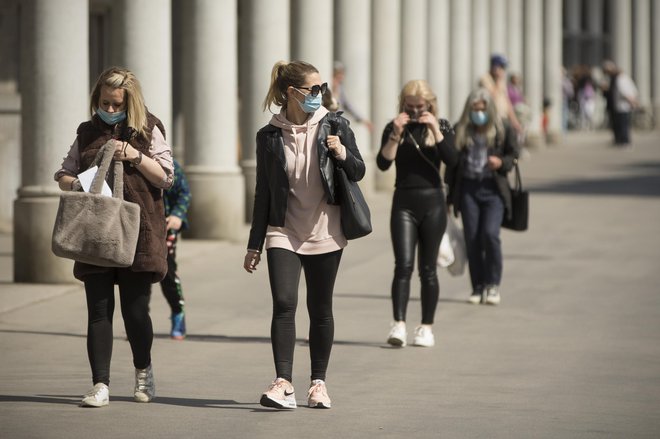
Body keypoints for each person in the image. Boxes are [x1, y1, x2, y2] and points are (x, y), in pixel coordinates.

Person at [243, 60, 365, 410]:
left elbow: (358, 170)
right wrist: (255, 243)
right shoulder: (268, 135)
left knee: (319, 307)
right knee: (284, 303)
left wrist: (341, 152)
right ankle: (283, 383)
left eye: (322, 88)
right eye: (313, 90)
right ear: (291, 93)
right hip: (283, 229)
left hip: (326, 227)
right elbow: (263, 191)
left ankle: (318, 384)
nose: (319, 95)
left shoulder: (335, 123)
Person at [54, 66, 173, 407]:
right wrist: (75, 182)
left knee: (135, 313)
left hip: (138, 233)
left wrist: (135, 155)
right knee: (98, 311)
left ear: (129, 101)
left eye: (115, 103)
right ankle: (100, 384)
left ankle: (143, 370)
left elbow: (166, 177)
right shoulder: (87, 132)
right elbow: (64, 172)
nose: (108, 110)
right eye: (104, 103)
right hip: (94, 231)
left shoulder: (149, 128)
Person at [376, 80, 458, 348]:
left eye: (419, 107)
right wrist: (395, 134)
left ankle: (426, 327)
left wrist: (434, 127)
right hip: (404, 201)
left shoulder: (442, 126)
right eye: (408, 106)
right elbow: (383, 163)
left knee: (428, 270)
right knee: (403, 265)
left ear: (429, 105)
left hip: (433, 201)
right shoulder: (395, 126)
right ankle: (398, 324)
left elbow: (453, 160)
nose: (413, 111)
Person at [445, 88, 519, 306]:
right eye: (475, 109)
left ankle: (493, 284)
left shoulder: (501, 127)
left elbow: (513, 155)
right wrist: (449, 197)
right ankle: (478, 286)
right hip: (468, 189)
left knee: (490, 235)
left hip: (493, 189)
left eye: (482, 109)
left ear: (489, 109)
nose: (479, 113)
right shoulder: (461, 129)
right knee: (473, 238)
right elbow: (452, 165)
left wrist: (501, 163)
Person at [155, 158, 191, 340]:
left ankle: (178, 312)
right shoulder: (127, 158)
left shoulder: (168, 163)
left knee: (167, 273)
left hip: (165, 226)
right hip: (136, 225)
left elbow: (184, 193)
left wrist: (177, 215)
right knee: (137, 276)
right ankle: (138, 321)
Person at [479, 54, 523, 136]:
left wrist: (514, 121)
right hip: (492, 120)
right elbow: (491, 97)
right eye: (502, 67)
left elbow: (507, 101)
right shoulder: (485, 78)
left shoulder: (501, 81)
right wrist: (499, 80)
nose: (503, 70)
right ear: (495, 67)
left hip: (504, 118)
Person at [601, 60, 639, 147]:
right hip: (617, 105)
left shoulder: (621, 78)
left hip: (622, 105)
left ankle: (624, 140)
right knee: (619, 123)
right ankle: (620, 139)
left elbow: (625, 91)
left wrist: (632, 100)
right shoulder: (614, 78)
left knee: (623, 123)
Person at [331, 61, 373, 132]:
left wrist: (363, 120)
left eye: (342, 74)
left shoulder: (340, 88)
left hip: (336, 123)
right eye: (338, 74)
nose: (341, 77)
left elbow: (348, 106)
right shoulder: (327, 86)